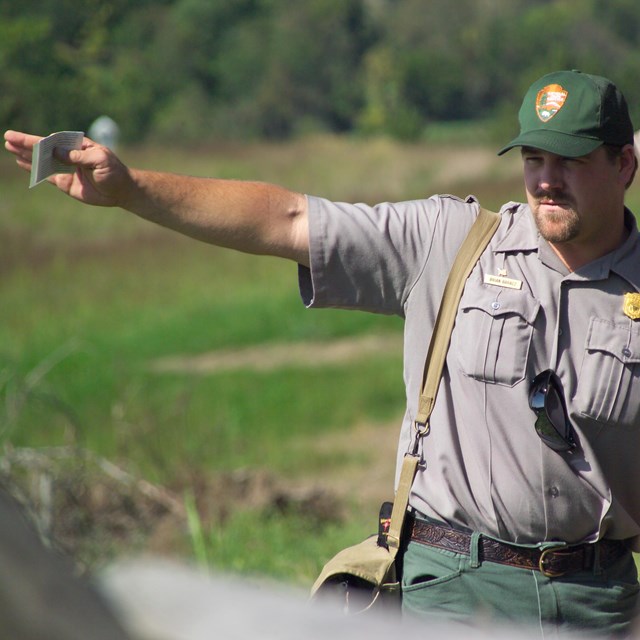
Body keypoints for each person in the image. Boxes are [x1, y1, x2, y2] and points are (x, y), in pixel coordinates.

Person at [4, 69, 640, 636]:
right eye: (533, 158)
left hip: (601, 601)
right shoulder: (452, 242)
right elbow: (286, 220)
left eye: (572, 160)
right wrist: (133, 188)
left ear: (623, 165)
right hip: (453, 585)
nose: (546, 181)